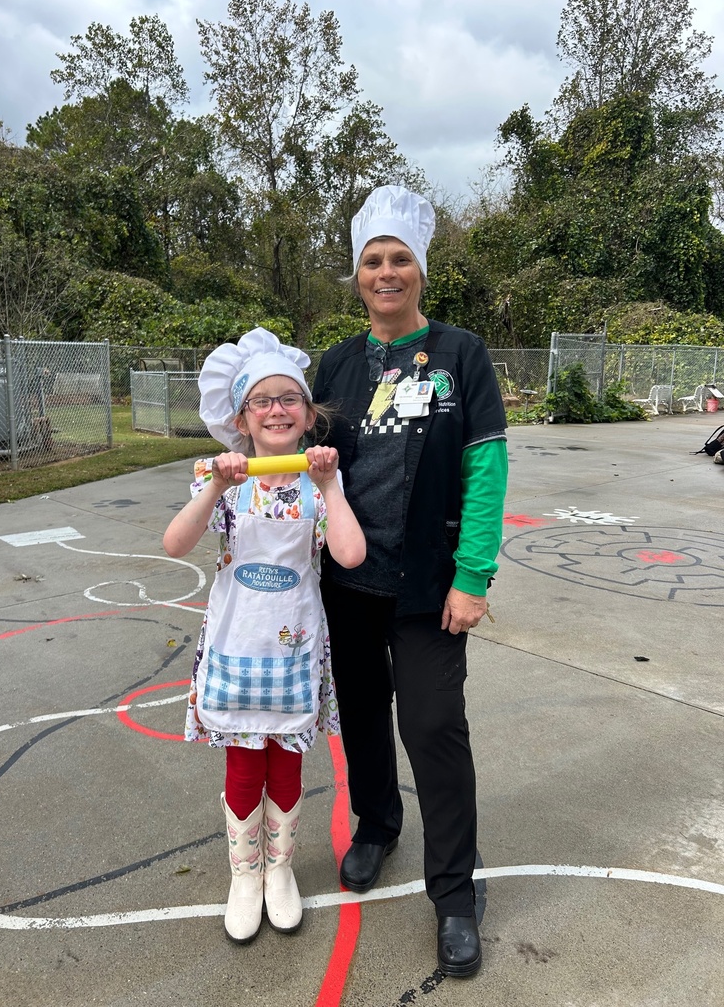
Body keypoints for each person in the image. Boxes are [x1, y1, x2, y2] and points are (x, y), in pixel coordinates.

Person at [312, 186, 508, 977]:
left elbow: (486, 470)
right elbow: (301, 455)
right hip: (350, 584)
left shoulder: (461, 356)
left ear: (420, 272)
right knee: (361, 715)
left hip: (430, 584)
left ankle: (456, 894)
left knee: (431, 726)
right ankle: (377, 823)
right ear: (357, 276)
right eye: (372, 261)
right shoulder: (333, 364)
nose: (385, 273)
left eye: (399, 260)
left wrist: (474, 575)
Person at [163, 327, 365, 945]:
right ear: (241, 416)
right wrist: (220, 484)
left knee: (287, 765)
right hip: (236, 647)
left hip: (295, 651)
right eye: (262, 400)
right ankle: (243, 875)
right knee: (245, 765)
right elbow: (175, 544)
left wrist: (331, 484)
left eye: (289, 399)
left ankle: (281, 872)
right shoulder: (221, 480)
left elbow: (351, 556)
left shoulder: (315, 483)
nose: (276, 409)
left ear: (308, 414)